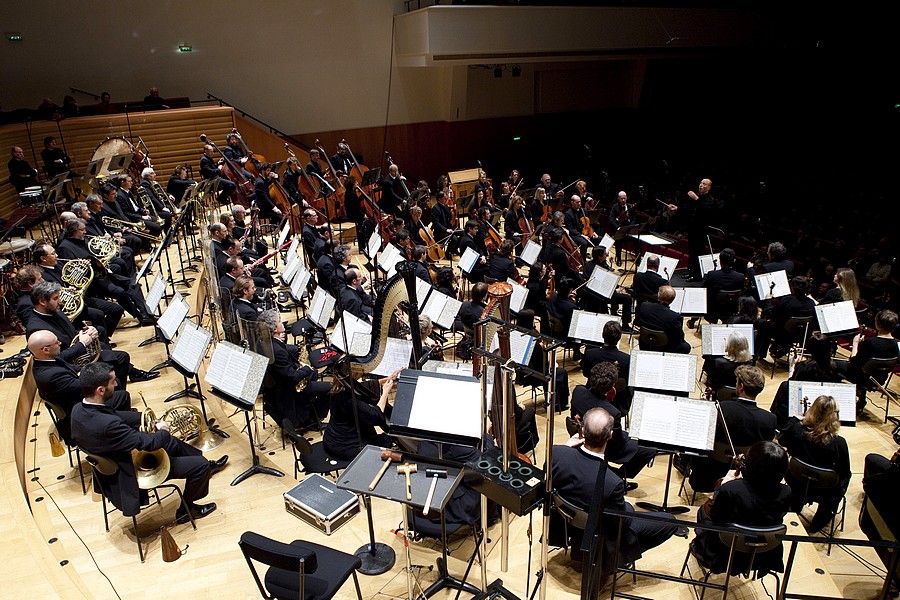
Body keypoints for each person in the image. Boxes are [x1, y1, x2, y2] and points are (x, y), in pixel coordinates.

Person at [71, 362, 226, 521]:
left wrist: (146, 418)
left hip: (111, 461)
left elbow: (115, 415)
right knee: (198, 465)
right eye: (112, 381)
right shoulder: (108, 426)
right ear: (100, 390)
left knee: (171, 443)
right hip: (129, 472)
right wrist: (163, 429)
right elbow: (151, 444)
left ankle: (206, 466)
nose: (116, 384)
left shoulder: (79, 409)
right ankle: (187, 510)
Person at [551, 407, 677, 579]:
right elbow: (620, 522)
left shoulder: (557, 453)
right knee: (669, 522)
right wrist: (628, 507)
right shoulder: (612, 482)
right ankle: (614, 559)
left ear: (582, 430)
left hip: (568, 522)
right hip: (600, 530)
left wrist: (566, 448)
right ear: (610, 435)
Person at [26, 280, 158, 386]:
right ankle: (113, 399)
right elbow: (56, 359)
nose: (60, 301)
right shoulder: (36, 329)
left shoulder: (54, 311)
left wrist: (87, 331)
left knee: (115, 353)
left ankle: (116, 395)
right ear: (42, 302)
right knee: (119, 358)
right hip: (72, 366)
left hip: (81, 353)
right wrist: (82, 344)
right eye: (55, 298)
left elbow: (71, 332)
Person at [690, 440, 791, 576]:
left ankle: (699, 548)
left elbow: (715, 516)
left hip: (725, 554)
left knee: (703, 510)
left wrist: (721, 488)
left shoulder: (731, 489)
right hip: (764, 555)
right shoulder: (786, 492)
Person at [28, 330, 136, 442]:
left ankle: (120, 426)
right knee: (120, 393)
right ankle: (117, 434)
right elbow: (86, 385)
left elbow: (75, 368)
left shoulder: (45, 360)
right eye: (56, 342)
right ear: (46, 349)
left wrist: (83, 344)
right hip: (82, 414)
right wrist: (108, 378)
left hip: (76, 401)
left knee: (122, 394)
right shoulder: (50, 376)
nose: (60, 343)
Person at [688, 365, 777, 492]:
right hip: (744, 477)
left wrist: (705, 407)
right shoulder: (770, 419)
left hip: (708, 475)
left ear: (740, 387)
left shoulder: (720, 407)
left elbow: (702, 432)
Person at [571, 363, 655, 481]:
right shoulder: (612, 412)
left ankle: (608, 471)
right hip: (603, 446)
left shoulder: (578, 391)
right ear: (612, 386)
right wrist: (627, 436)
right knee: (649, 449)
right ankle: (618, 476)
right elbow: (618, 442)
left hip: (581, 435)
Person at [778, 395, 851, 532]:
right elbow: (844, 472)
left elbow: (781, 439)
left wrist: (796, 419)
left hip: (797, 481)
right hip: (824, 490)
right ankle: (821, 518)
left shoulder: (797, 430)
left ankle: (795, 504)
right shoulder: (838, 443)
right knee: (844, 479)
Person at [259, 310, 330, 430]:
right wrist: (306, 369)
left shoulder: (263, 342)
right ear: (274, 329)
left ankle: (307, 410)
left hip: (276, 387)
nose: (282, 323)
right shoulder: (278, 351)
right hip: (288, 391)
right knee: (331, 388)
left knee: (314, 374)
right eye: (279, 321)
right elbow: (292, 378)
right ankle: (313, 420)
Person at [769, 333, 844, 429]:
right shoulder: (834, 367)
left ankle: (775, 422)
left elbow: (793, 388)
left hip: (805, 403)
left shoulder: (804, 366)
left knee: (785, 386)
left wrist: (792, 367)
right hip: (823, 404)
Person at [836, 309, 900, 410]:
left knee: (833, 364)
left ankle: (842, 396)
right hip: (879, 379)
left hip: (861, 377)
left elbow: (853, 362)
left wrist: (856, 343)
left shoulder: (870, 342)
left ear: (877, 324)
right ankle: (861, 396)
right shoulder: (896, 345)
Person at [323, 372, 395, 461]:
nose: (363, 372)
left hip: (332, 438)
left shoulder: (339, 386)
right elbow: (376, 416)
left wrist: (383, 380)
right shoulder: (349, 398)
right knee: (391, 439)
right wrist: (385, 392)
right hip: (345, 446)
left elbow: (360, 387)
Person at [755, 276, 816, 362]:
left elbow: (771, 314)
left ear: (793, 288)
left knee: (761, 323)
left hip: (781, 333)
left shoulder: (787, 300)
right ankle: (780, 348)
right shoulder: (811, 303)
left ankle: (759, 354)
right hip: (799, 336)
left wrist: (768, 300)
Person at [581, 321, 633, 410]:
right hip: (617, 402)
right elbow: (627, 381)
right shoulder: (626, 359)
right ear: (619, 337)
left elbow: (586, 373)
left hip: (593, 394)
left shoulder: (590, 354)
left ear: (602, 335)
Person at [690, 247, 746, 328]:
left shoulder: (712, 275)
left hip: (714, 310)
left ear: (720, 261)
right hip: (732, 309)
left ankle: (693, 320)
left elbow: (703, 291)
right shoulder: (740, 277)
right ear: (734, 261)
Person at [582, 245, 634, 332]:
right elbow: (604, 286)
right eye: (605, 254)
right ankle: (625, 325)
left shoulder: (588, 264)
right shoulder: (599, 268)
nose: (607, 255)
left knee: (617, 293)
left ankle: (614, 313)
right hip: (599, 297)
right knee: (627, 299)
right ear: (599, 257)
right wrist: (615, 291)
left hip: (591, 294)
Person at [635, 285, 691, 354]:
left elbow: (638, 322)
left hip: (645, 344)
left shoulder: (644, 306)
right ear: (672, 300)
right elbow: (679, 339)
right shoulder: (674, 317)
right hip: (665, 348)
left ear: (658, 295)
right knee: (686, 347)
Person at [607, 191, 635, 265]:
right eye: (621, 198)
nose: (623, 200)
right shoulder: (615, 207)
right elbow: (611, 220)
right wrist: (618, 228)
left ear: (626, 198)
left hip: (629, 229)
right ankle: (619, 258)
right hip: (619, 229)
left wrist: (631, 227)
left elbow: (634, 218)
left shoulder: (630, 206)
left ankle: (637, 260)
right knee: (619, 240)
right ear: (618, 198)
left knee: (637, 239)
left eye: (624, 198)